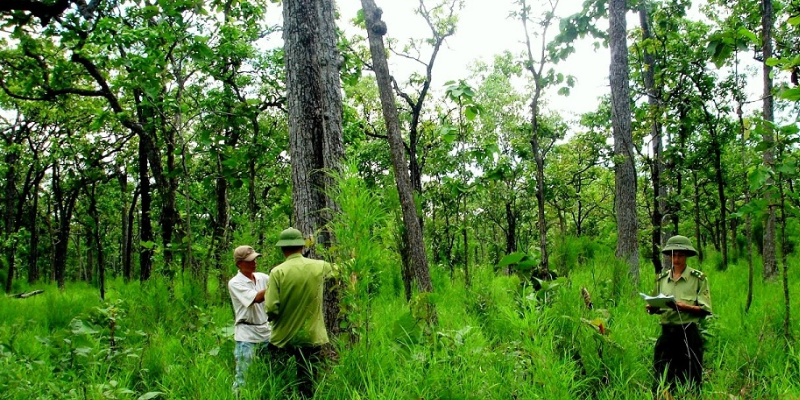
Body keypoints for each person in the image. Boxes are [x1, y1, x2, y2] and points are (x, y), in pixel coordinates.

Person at [265, 227, 336, 398]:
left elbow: (271, 308)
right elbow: (341, 270)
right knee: (307, 383)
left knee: (279, 383)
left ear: (283, 249)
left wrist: (273, 319)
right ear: (302, 247)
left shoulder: (277, 272)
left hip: (282, 338)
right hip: (312, 337)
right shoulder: (319, 267)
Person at [646, 235, 712, 395]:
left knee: (691, 377)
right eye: (674, 254)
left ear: (687, 256)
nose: (676, 259)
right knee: (662, 376)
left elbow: (705, 309)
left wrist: (684, 307)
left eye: (680, 255)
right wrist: (652, 308)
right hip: (667, 334)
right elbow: (655, 304)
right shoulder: (662, 279)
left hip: (688, 333)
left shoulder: (698, 278)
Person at [228, 245, 271, 392]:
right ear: (239, 264)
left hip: (266, 332)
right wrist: (276, 283)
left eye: (255, 259)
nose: (254, 263)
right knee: (243, 376)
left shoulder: (263, 278)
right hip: (247, 335)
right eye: (250, 260)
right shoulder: (235, 283)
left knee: (268, 372)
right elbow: (256, 298)